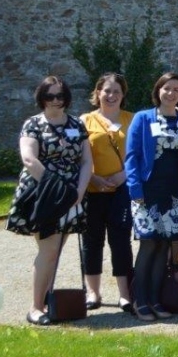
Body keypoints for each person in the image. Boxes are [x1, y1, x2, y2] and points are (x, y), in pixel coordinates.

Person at [7, 76, 93, 326]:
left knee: (55, 251)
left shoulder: (76, 124)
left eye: (60, 96)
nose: (56, 101)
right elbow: (29, 159)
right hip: (44, 194)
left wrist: (79, 192)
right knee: (49, 251)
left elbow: (86, 161)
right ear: (42, 98)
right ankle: (35, 308)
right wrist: (57, 189)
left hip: (71, 196)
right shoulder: (33, 124)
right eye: (50, 96)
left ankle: (45, 302)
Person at [124, 72, 178, 322]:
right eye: (167, 88)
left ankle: (155, 300)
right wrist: (135, 190)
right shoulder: (142, 118)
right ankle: (140, 300)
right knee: (149, 244)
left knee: (165, 246)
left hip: (174, 194)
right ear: (158, 90)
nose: (171, 93)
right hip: (146, 193)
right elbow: (131, 157)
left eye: (177, 89)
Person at [79, 73, 134, 313]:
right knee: (92, 241)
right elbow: (79, 156)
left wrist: (124, 175)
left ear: (123, 95)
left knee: (121, 240)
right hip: (93, 189)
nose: (111, 96)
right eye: (107, 91)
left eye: (116, 92)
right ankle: (93, 292)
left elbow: (140, 154)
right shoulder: (85, 120)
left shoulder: (132, 119)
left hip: (122, 189)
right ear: (98, 93)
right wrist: (92, 177)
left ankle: (125, 293)